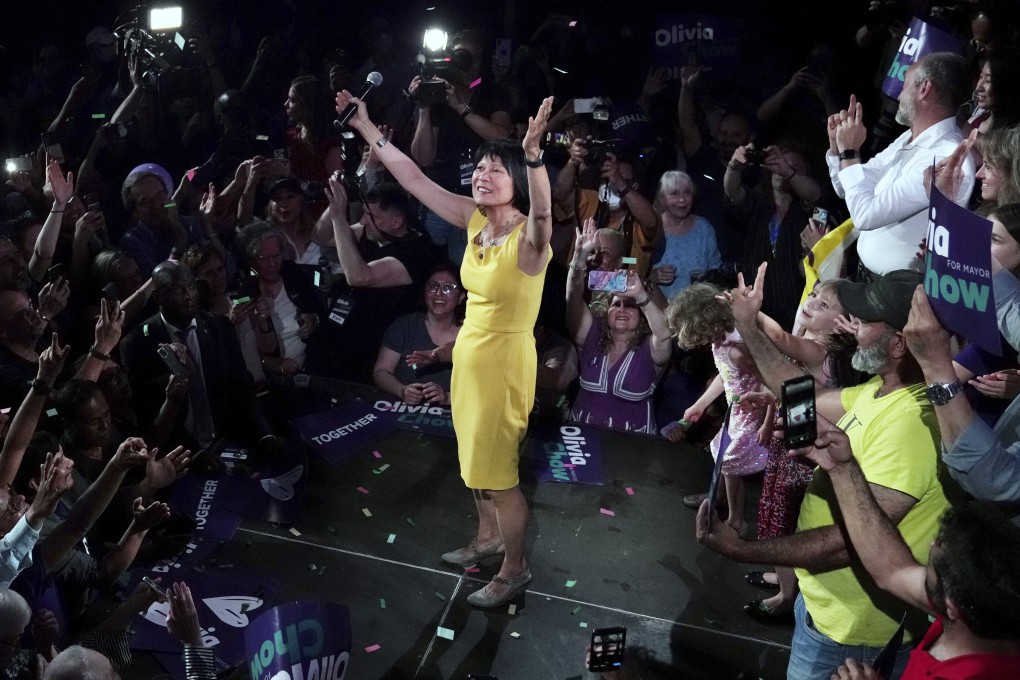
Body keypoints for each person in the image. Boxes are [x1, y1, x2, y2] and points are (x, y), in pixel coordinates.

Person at [336, 85, 554, 608]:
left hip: (503, 366)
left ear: (517, 183)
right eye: (480, 167)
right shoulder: (474, 218)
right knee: (474, 462)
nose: (482, 174)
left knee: (500, 477)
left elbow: (546, 216)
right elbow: (412, 178)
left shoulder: (529, 240)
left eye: (495, 171)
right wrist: (364, 126)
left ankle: (514, 567)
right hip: (469, 356)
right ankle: (486, 538)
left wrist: (533, 157)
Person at [697, 263, 950, 679]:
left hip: (853, 635)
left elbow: (847, 544)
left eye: (865, 322)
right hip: (825, 606)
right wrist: (748, 324)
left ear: (899, 344)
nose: (853, 328)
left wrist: (741, 550)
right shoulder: (880, 389)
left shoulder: (911, 424)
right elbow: (799, 395)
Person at [788, 416, 1020, 678]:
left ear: (950, 606)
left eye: (934, 558)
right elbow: (892, 568)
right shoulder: (980, 613)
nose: (931, 543)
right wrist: (842, 468)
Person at [827, 52, 975, 278]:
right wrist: (838, 150)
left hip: (895, 294)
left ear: (924, 89)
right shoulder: (907, 138)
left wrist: (849, 152)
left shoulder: (945, 157)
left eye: (904, 84)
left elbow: (865, 215)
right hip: (866, 278)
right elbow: (847, 189)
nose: (898, 93)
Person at [307, 181, 439, 382]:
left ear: (396, 222)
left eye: (372, 216)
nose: (363, 220)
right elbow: (320, 236)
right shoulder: (368, 232)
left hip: (373, 352)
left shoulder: (417, 252)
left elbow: (359, 276)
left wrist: (340, 219)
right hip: (337, 336)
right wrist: (335, 203)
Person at [669, 283, 770, 540]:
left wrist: (766, 421)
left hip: (751, 413)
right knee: (723, 455)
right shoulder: (721, 344)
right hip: (736, 410)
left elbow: (770, 379)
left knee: (730, 460)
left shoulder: (737, 349)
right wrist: (700, 405)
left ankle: (736, 520)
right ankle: (719, 495)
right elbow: (724, 377)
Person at [408, 29, 513, 265]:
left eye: (474, 58)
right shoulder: (436, 93)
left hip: (481, 203)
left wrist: (460, 107)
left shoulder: (492, 93)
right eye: (462, 57)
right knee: (431, 268)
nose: (469, 65)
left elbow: (503, 138)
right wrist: (424, 108)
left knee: (473, 272)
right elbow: (423, 158)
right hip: (439, 199)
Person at [566, 218, 673, 433]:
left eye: (630, 306)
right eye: (616, 305)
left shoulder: (649, 349)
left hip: (630, 451)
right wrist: (579, 258)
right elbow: (573, 299)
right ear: (606, 312)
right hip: (581, 441)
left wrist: (642, 295)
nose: (622, 309)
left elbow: (663, 335)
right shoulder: (592, 336)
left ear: (641, 316)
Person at [725, 142, 820, 330]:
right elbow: (732, 192)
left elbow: (815, 194)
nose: (782, 170)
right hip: (757, 314)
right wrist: (733, 167)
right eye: (779, 164)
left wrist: (790, 173)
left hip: (796, 315)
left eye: (792, 168)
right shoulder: (759, 206)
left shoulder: (806, 212)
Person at [553, 141, 661, 277]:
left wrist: (621, 182)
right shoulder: (591, 202)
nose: (614, 183)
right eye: (610, 178)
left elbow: (651, 222)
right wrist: (572, 163)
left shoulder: (640, 215)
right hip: (581, 289)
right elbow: (560, 193)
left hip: (624, 292)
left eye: (622, 179)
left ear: (635, 186)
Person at [235, 223, 323, 378]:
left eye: (276, 256)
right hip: (264, 378)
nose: (272, 264)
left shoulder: (293, 273)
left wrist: (313, 319)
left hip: (306, 371)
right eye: (263, 258)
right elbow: (240, 348)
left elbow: (317, 310)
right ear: (251, 260)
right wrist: (270, 363)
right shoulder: (244, 291)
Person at [373, 264, 465, 406]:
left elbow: (485, 385)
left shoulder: (472, 332)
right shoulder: (405, 325)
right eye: (433, 286)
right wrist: (401, 390)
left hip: (454, 413)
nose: (439, 293)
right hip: (401, 409)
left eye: (448, 287)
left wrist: (447, 397)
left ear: (461, 297)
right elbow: (381, 371)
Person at [649, 170, 721, 301]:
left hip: (697, 310)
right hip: (658, 311)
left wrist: (707, 279)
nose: (682, 199)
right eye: (674, 193)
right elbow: (628, 260)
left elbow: (716, 267)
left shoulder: (704, 228)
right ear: (662, 198)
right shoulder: (650, 228)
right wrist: (650, 275)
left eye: (687, 192)